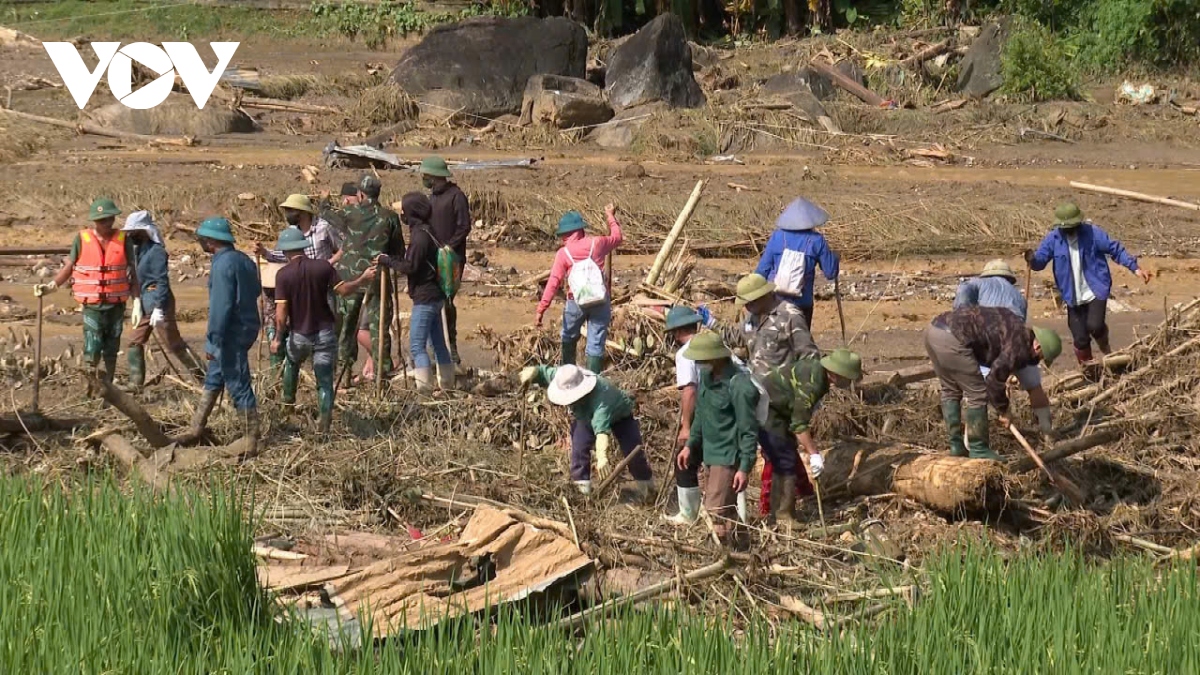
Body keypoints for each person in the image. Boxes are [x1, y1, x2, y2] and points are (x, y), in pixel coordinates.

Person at [924, 306, 1062, 460]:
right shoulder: (1019, 347)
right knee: (978, 393)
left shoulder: (1014, 325)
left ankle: (956, 446)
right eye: (1040, 357)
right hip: (955, 338)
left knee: (950, 390)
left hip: (933, 330)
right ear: (1037, 347)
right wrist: (1004, 410)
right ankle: (978, 448)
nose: (1037, 361)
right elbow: (993, 381)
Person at [272, 227, 375, 432]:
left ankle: (288, 407)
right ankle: (324, 424)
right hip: (325, 333)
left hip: (299, 334)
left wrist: (277, 337)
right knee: (325, 380)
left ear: (285, 252)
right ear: (303, 247)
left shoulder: (283, 275)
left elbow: (281, 311)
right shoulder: (322, 268)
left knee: (292, 364)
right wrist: (363, 279)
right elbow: (344, 291)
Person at [1027, 202, 1152, 366]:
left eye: (1072, 226)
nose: (1069, 230)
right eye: (1066, 227)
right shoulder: (1053, 239)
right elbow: (1039, 263)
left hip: (1095, 289)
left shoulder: (1092, 233)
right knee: (1080, 338)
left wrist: (1135, 268)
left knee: (1095, 325)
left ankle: (1105, 347)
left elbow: (1115, 249)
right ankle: (1089, 370)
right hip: (1072, 295)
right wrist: (1031, 259)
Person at [35, 198, 139, 387]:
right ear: (94, 221)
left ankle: (108, 387)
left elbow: (133, 270)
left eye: (109, 219)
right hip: (92, 304)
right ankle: (90, 386)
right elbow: (70, 265)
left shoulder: (124, 240)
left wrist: (137, 301)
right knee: (92, 345)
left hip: (116, 303)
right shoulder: (82, 239)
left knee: (112, 346)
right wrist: (52, 286)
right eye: (101, 220)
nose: (106, 224)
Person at [184, 216, 262, 452]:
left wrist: (213, 339)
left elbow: (221, 306)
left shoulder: (222, 265)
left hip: (231, 330)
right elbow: (257, 289)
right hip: (248, 325)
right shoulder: (244, 260)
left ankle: (251, 438)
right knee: (216, 375)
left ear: (210, 242)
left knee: (237, 380)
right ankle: (196, 428)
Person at [760, 348, 862, 526]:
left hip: (779, 410)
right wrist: (814, 453)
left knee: (785, 456)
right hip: (767, 410)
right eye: (848, 378)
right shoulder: (813, 382)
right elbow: (799, 424)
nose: (850, 383)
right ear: (836, 375)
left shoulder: (820, 375)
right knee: (784, 460)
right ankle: (783, 517)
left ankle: (776, 513)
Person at [520, 363, 654, 499]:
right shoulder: (565, 376)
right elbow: (543, 372)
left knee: (633, 453)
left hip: (620, 416)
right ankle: (582, 493)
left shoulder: (601, 399)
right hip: (585, 414)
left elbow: (601, 431)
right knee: (579, 447)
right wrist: (532, 373)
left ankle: (647, 491)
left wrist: (602, 457)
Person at [954, 259, 1054, 435]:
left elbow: (964, 289)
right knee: (1034, 386)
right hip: (1020, 346)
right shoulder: (1020, 298)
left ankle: (976, 439)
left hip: (989, 346)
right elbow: (1018, 334)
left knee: (979, 391)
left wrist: (962, 312)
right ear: (1009, 278)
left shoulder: (978, 283)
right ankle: (1047, 431)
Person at [677, 332, 759, 546]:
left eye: (702, 359)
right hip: (709, 454)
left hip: (727, 457)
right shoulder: (706, 377)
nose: (698, 364)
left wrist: (744, 467)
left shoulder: (739, 385)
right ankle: (745, 550)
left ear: (714, 358)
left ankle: (720, 556)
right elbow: (702, 416)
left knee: (715, 513)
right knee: (726, 511)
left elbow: (748, 430)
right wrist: (690, 446)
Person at [375, 192, 455, 391]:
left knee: (417, 346)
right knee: (438, 344)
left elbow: (410, 266)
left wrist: (386, 260)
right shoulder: (430, 231)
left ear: (411, 212)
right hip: (435, 295)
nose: (401, 213)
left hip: (425, 298)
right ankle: (447, 386)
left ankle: (424, 392)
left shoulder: (419, 236)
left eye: (403, 209)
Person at [256, 194, 342, 371]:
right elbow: (282, 255)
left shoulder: (324, 228)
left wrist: (327, 265)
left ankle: (327, 371)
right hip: (299, 288)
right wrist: (264, 252)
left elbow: (342, 248)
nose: (287, 214)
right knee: (301, 328)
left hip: (322, 285)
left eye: (289, 210)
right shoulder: (291, 232)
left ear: (302, 212)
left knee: (327, 329)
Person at [535, 207, 623, 372]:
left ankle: (569, 378)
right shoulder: (597, 243)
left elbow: (554, 282)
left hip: (576, 302)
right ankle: (593, 384)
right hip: (600, 300)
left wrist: (541, 309)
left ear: (566, 234)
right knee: (596, 344)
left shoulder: (563, 253)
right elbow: (617, 237)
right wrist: (610, 216)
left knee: (568, 337)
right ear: (580, 230)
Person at [121, 210, 203, 389]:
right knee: (135, 341)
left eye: (133, 231)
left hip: (159, 302)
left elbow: (162, 281)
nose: (129, 235)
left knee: (174, 344)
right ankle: (135, 383)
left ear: (143, 231)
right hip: (144, 303)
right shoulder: (140, 250)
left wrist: (158, 308)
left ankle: (203, 378)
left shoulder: (156, 251)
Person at [335, 175, 404, 383]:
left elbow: (327, 216)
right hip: (378, 278)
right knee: (379, 328)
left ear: (360, 194)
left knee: (347, 327)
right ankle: (381, 376)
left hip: (350, 278)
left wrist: (323, 200)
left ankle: (343, 375)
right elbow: (398, 252)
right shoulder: (390, 217)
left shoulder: (348, 212)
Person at [754, 197, 840, 328]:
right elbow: (830, 273)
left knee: (775, 345)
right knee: (800, 345)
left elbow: (761, 272)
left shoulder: (777, 237)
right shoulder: (817, 241)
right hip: (802, 305)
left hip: (775, 304)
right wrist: (834, 258)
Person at [422, 156, 471, 370]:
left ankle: (451, 347)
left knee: (447, 302)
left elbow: (464, 226)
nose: (425, 179)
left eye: (427, 176)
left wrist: (450, 247)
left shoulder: (456, 196)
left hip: (451, 259)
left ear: (436, 177)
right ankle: (435, 349)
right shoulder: (431, 197)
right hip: (433, 258)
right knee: (433, 302)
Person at [662, 306, 705, 525]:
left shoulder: (686, 353)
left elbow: (689, 390)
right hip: (729, 410)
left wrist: (686, 426)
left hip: (708, 413)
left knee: (684, 459)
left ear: (677, 332)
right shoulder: (712, 344)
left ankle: (689, 515)